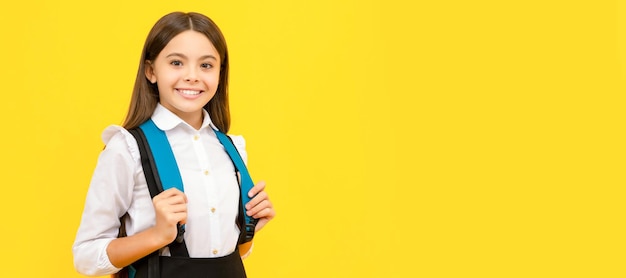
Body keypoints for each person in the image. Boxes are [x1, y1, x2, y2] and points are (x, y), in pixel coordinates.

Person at [72, 11, 275, 278]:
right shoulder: (128, 148)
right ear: (151, 71)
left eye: (206, 65)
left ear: (219, 73)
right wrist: (157, 235)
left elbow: (232, 254)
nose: (192, 76)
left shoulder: (232, 148)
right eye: (177, 63)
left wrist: (249, 227)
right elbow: (86, 257)